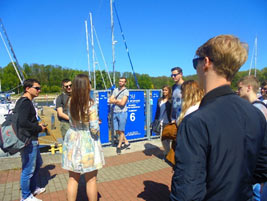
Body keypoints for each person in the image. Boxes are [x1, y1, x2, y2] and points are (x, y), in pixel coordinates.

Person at [170, 34, 267, 201]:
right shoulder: (255, 114)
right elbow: (262, 169)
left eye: (196, 63)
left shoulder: (196, 122)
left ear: (206, 62)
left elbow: (186, 193)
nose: (196, 68)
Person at [62, 74, 105, 201]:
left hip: (72, 137)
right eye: (89, 83)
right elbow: (94, 128)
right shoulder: (90, 103)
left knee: (72, 178)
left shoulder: (70, 101)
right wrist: (96, 124)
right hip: (87, 140)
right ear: (86, 86)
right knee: (91, 179)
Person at [238, 75, 267, 200]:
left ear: (249, 88)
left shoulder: (256, 110)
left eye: (240, 88)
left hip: (256, 171)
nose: (238, 91)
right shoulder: (260, 107)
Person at [18, 79, 47, 201]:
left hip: (32, 138)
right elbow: (23, 122)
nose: (39, 91)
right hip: (28, 139)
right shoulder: (25, 103)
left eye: (39, 88)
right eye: (37, 88)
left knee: (37, 164)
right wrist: (39, 128)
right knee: (28, 169)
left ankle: (33, 188)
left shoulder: (27, 102)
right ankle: (25, 196)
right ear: (27, 88)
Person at [166, 80, 204, 166]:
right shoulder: (196, 106)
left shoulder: (193, 110)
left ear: (188, 92)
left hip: (190, 154)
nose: (181, 94)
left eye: (182, 91)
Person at [109, 77, 130, 154]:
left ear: (125, 83)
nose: (120, 82)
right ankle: (126, 142)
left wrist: (115, 101)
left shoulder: (126, 91)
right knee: (117, 130)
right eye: (120, 81)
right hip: (115, 112)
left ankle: (119, 146)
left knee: (121, 130)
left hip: (122, 112)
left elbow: (122, 103)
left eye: (122, 81)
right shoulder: (115, 90)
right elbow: (110, 100)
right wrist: (117, 101)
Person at [153, 85, 172, 156]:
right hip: (160, 121)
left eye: (166, 90)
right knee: (162, 138)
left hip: (168, 122)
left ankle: (167, 152)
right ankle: (168, 152)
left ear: (169, 91)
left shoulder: (171, 100)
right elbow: (157, 111)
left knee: (168, 139)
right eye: (163, 90)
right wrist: (155, 120)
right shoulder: (160, 100)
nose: (164, 91)